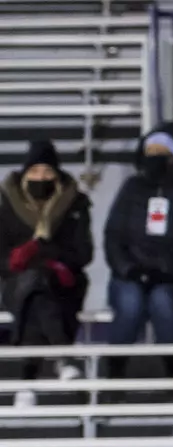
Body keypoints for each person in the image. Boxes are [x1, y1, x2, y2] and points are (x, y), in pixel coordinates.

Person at [103, 123, 173, 378]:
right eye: (149, 151)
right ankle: (113, 374)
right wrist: (129, 269)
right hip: (128, 275)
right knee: (130, 303)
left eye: (161, 151)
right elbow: (113, 236)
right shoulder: (131, 189)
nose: (153, 157)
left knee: (162, 302)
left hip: (171, 279)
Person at [0, 138, 92, 406]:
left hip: (63, 282)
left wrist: (47, 254)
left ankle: (27, 381)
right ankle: (64, 357)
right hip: (16, 283)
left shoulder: (76, 204)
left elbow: (83, 254)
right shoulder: (5, 205)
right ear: (25, 173)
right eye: (36, 171)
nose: (42, 177)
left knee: (39, 289)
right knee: (34, 286)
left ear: (57, 174)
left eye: (48, 172)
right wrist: (19, 259)